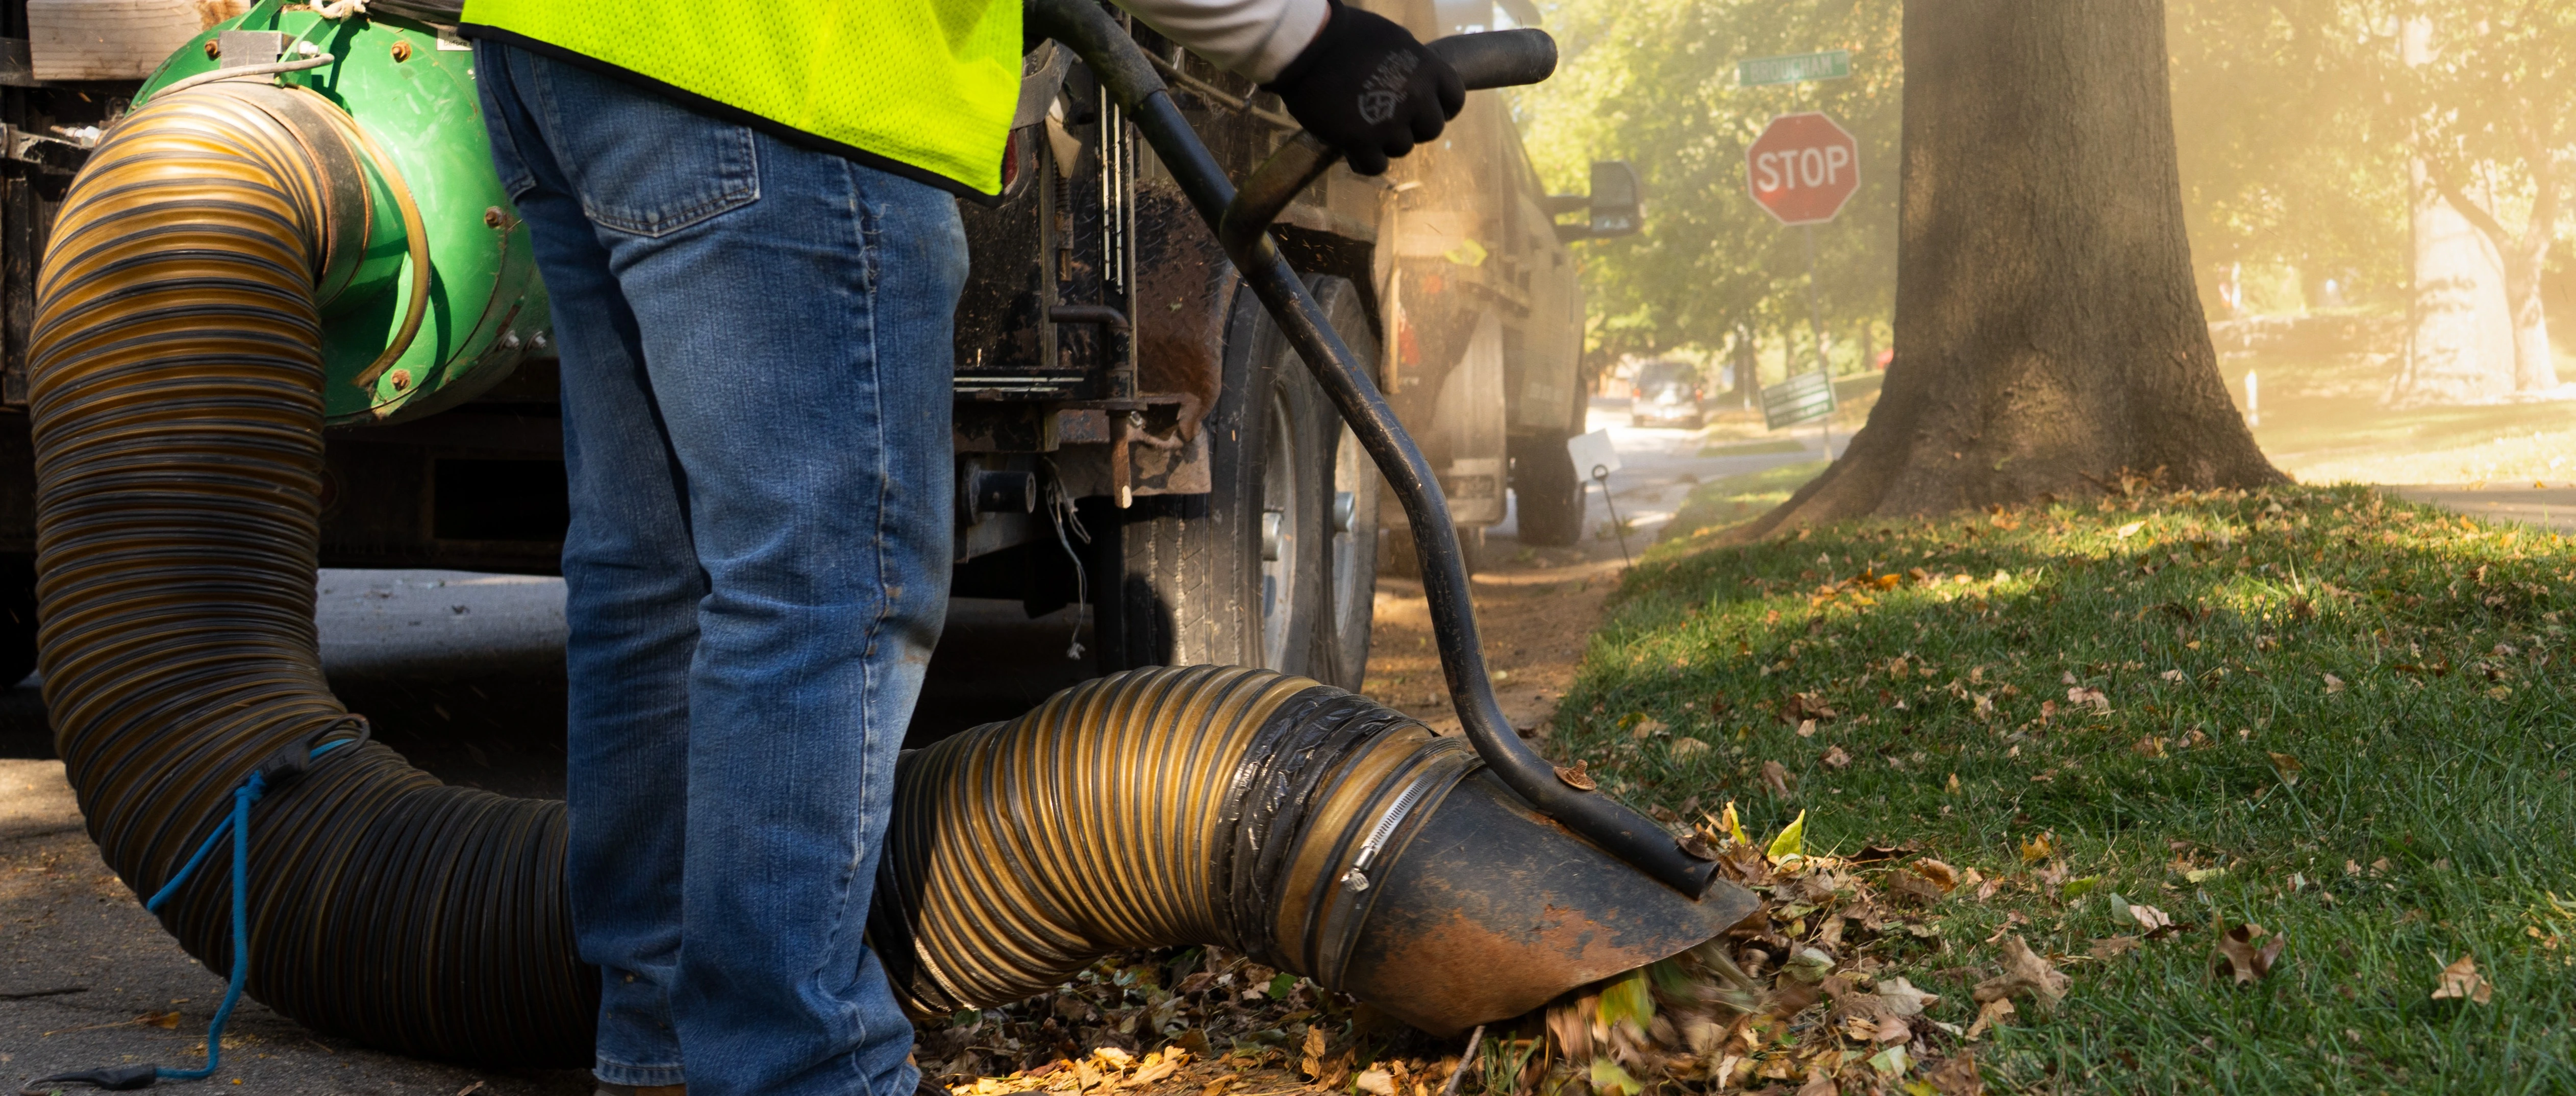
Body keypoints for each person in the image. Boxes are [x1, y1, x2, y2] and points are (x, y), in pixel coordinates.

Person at [448, 3, 1463, 1095]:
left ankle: (657, 1043)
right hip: (785, 68)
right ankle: (795, 1067)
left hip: (559, 51)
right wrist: (1296, 39)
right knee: (820, 590)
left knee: (656, 576)